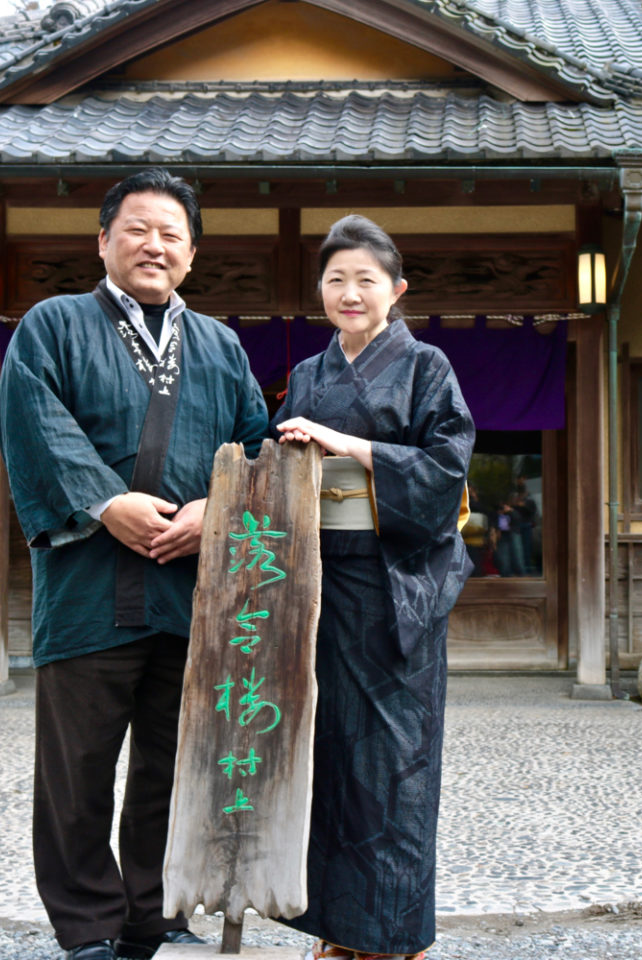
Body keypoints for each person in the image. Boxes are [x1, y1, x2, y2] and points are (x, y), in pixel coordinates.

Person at [0, 168, 269, 960]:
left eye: (172, 235)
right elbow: (33, 418)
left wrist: (214, 511)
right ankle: (87, 927)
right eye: (139, 229)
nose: (155, 245)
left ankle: (153, 919)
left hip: (188, 597)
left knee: (169, 771)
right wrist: (102, 502)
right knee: (76, 774)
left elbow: (254, 444)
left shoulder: (219, 344)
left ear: (191, 254)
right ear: (105, 239)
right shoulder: (53, 325)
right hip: (86, 590)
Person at [272, 215, 474, 960]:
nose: (349, 293)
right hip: (318, 588)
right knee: (324, 760)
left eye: (365, 280)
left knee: (394, 765)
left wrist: (349, 445)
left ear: (396, 290)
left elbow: (445, 469)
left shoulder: (426, 367)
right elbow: (278, 471)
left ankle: (394, 936)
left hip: (395, 590)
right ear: (320, 291)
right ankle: (336, 930)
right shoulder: (307, 377)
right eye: (336, 280)